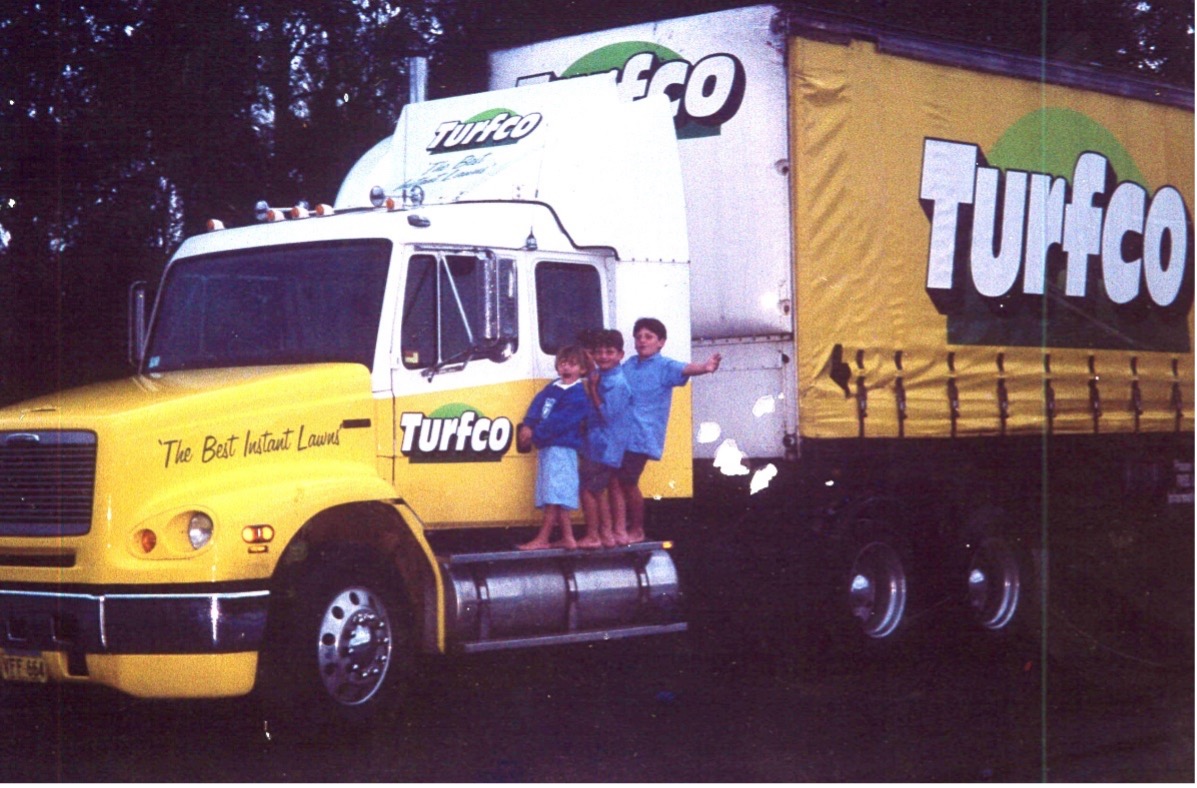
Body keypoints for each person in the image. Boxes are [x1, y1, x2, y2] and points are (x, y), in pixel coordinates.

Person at [618, 317, 721, 543]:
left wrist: (705, 367)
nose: (642, 341)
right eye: (638, 337)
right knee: (618, 482)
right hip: (622, 435)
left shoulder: (664, 366)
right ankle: (620, 528)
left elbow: (685, 368)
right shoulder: (630, 364)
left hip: (642, 436)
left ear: (661, 342)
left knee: (627, 480)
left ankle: (637, 529)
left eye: (648, 337)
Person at [518, 345, 595, 551]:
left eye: (572, 364)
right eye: (562, 363)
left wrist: (535, 435)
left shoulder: (578, 396)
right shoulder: (553, 387)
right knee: (556, 493)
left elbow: (559, 422)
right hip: (549, 448)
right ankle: (568, 538)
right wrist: (528, 424)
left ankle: (543, 538)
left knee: (553, 495)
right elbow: (537, 404)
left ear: (582, 369)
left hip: (561, 449)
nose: (566, 367)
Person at [576, 329, 634, 549]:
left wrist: (592, 389)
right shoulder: (602, 375)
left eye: (609, 352)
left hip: (604, 445)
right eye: (598, 352)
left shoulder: (616, 382)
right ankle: (608, 534)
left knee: (589, 490)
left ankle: (597, 535)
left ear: (620, 355)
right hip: (599, 443)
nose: (603, 356)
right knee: (601, 490)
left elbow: (608, 414)